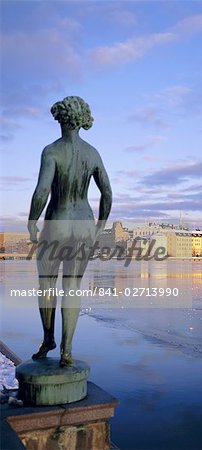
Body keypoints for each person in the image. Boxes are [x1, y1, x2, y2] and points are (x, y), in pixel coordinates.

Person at [28, 96, 112, 367]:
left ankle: (48, 339)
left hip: (58, 221)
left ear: (61, 119)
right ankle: (67, 350)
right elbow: (107, 193)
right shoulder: (93, 153)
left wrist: (32, 221)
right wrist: (100, 224)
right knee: (73, 286)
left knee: (47, 284)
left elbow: (42, 191)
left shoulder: (51, 151)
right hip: (84, 223)